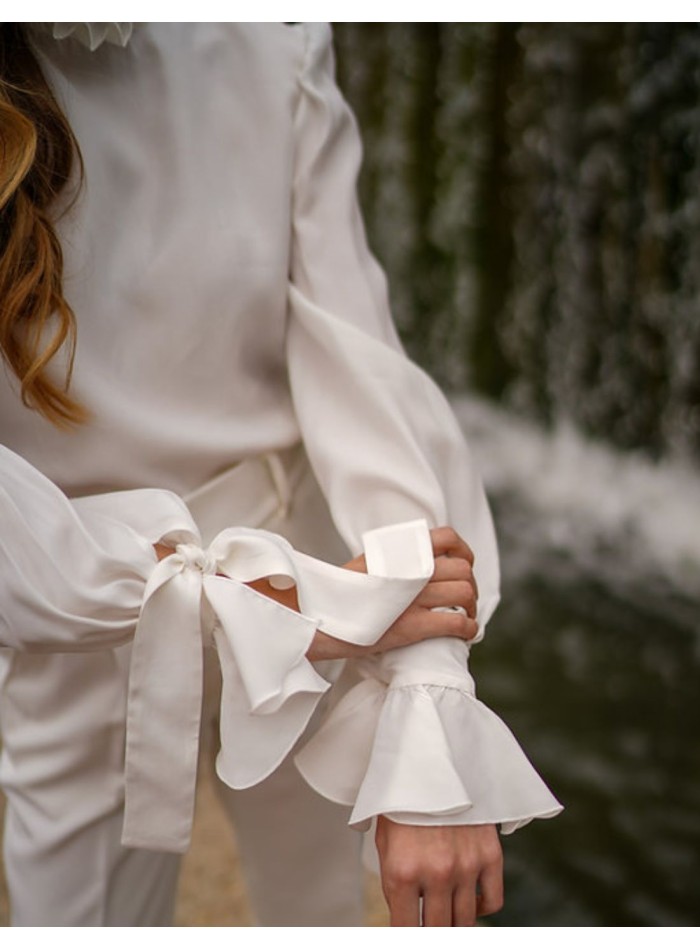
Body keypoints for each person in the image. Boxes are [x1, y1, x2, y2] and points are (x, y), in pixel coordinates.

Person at [0, 22, 562, 927]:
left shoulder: (270, 38)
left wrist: (427, 702)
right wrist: (273, 603)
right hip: (87, 641)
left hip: (327, 591)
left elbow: (361, 369)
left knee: (320, 915)